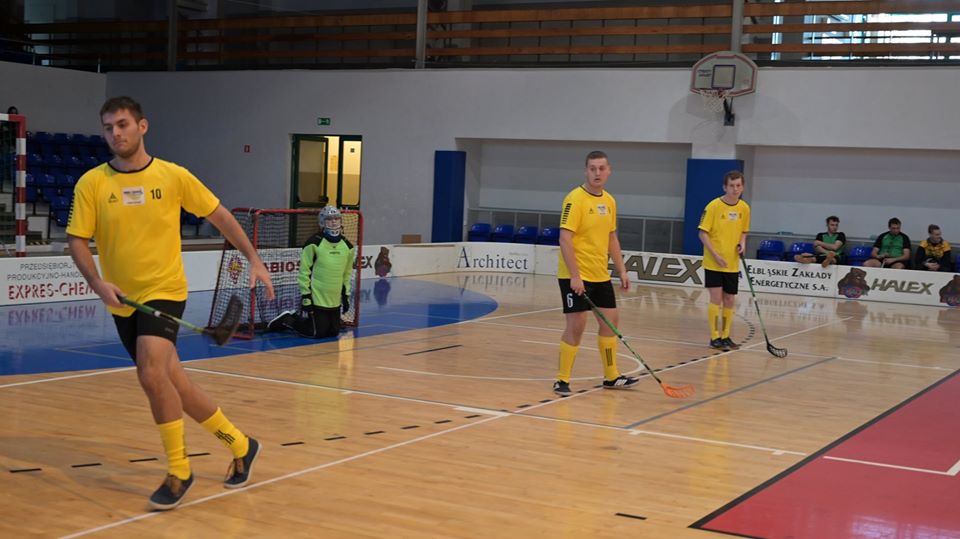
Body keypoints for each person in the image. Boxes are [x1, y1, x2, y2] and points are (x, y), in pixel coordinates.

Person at [66, 96, 275, 511]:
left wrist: (253, 258)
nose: (115, 134)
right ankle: (241, 444)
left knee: (150, 372)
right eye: (108, 128)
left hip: (164, 289)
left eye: (122, 124)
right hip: (122, 299)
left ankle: (179, 470)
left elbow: (220, 216)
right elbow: (77, 240)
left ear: (142, 126)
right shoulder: (92, 183)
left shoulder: (173, 176)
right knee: (174, 382)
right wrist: (96, 282)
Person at [552, 150, 638, 396]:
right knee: (576, 325)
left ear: (609, 171)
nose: (597, 173)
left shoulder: (609, 201)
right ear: (586, 171)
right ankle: (562, 379)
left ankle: (611, 376)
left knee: (610, 323)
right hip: (575, 275)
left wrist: (622, 270)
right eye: (592, 169)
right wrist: (575, 276)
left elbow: (612, 238)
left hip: (600, 274)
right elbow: (565, 239)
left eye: (601, 168)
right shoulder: (575, 199)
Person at [268, 205, 355, 338]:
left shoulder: (348, 246)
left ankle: (299, 318)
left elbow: (347, 274)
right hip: (316, 296)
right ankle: (287, 319)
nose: (334, 222)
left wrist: (346, 295)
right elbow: (304, 272)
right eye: (329, 219)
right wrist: (306, 296)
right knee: (316, 333)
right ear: (322, 222)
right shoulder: (313, 243)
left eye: (336, 218)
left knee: (333, 332)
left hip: (334, 298)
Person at [699, 170, 750, 351]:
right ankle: (715, 337)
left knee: (729, 299)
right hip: (714, 261)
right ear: (724, 187)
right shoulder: (713, 206)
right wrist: (715, 255)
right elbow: (702, 233)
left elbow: (744, 231)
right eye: (731, 186)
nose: (735, 189)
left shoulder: (744, 208)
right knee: (716, 298)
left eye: (738, 186)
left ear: (742, 187)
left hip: (732, 262)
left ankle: (726, 336)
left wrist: (742, 243)